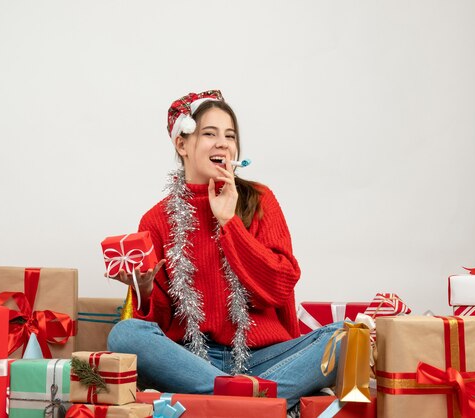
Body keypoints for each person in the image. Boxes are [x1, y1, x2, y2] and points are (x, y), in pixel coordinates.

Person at [107, 90, 341, 411]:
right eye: (209, 134)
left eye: (230, 136)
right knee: (125, 335)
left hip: (264, 359)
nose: (223, 143)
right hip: (191, 362)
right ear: (182, 145)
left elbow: (280, 286)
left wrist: (230, 221)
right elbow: (158, 326)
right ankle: (254, 406)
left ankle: (228, 405)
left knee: (344, 337)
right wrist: (144, 290)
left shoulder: (259, 200)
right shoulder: (156, 219)